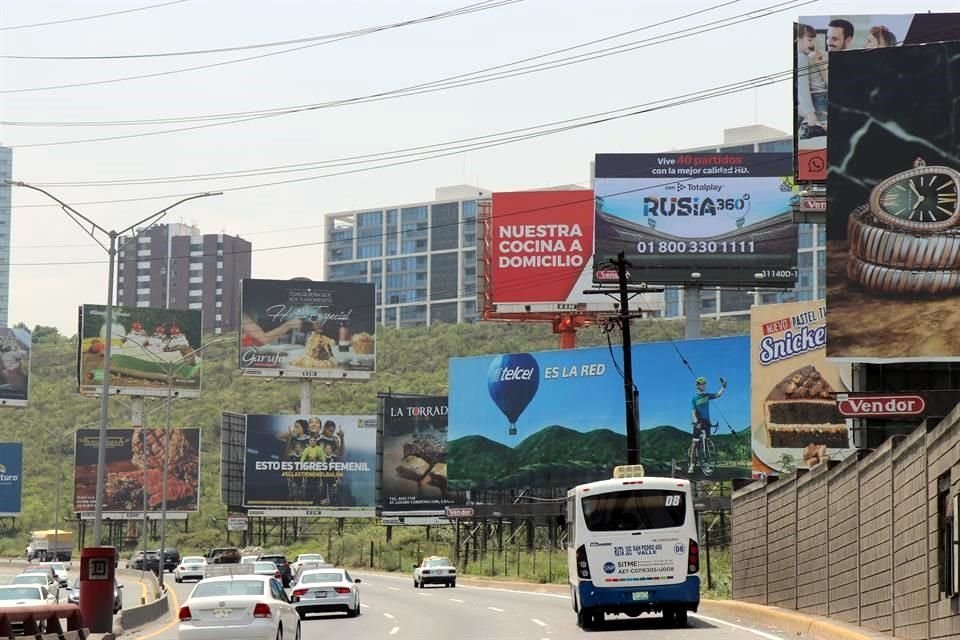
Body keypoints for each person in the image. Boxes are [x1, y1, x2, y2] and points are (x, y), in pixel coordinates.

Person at [688, 376, 727, 474]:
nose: (704, 386)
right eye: (702, 384)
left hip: (706, 422)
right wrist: (696, 421)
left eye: (704, 384)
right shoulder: (694, 398)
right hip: (698, 422)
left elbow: (718, 395)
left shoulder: (707, 396)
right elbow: (693, 411)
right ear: (697, 386)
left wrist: (723, 387)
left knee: (707, 443)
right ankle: (692, 465)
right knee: (695, 444)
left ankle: (706, 465)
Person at [796, 23, 828, 139]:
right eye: (809, 40)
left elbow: (803, 89)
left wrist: (810, 113)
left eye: (814, 40)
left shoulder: (808, 57)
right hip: (819, 100)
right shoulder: (802, 58)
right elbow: (803, 88)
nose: (813, 44)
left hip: (819, 100)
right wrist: (810, 113)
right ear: (799, 40)